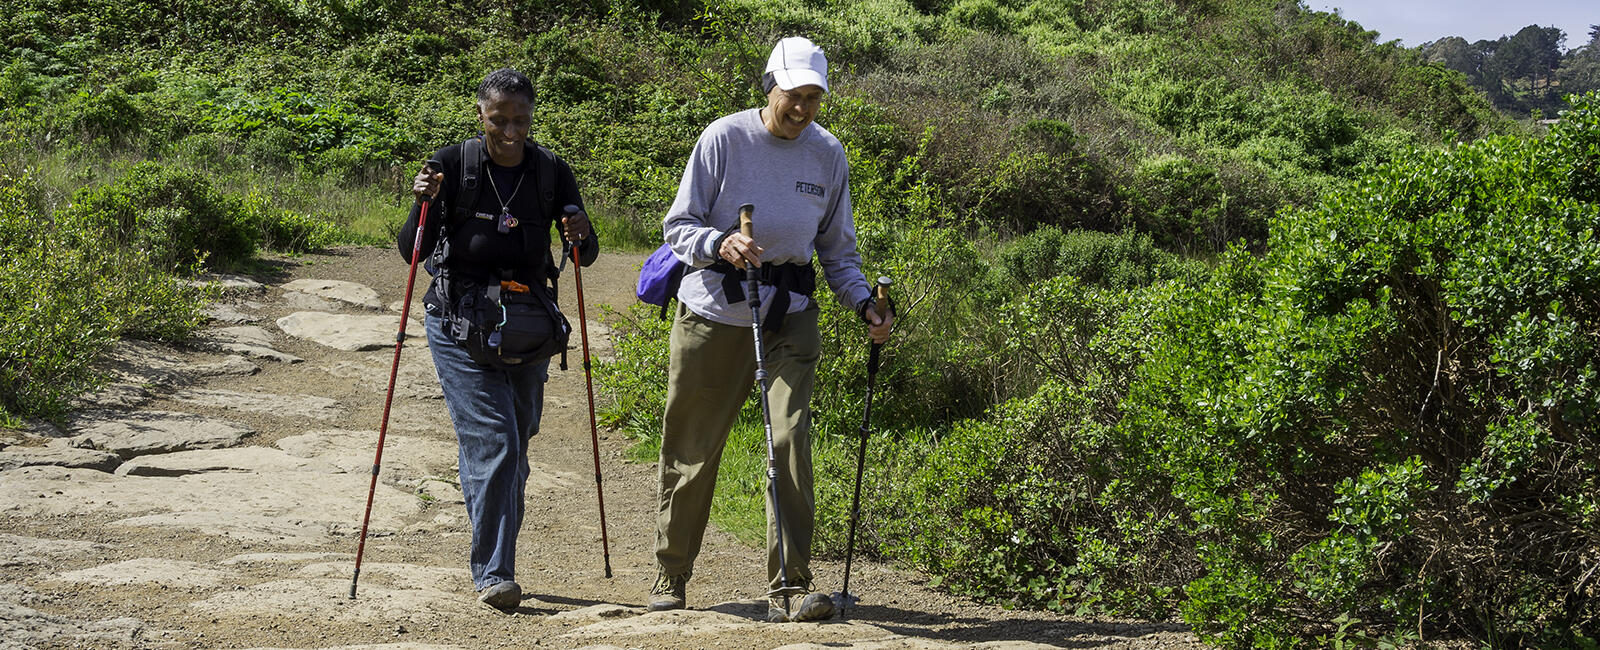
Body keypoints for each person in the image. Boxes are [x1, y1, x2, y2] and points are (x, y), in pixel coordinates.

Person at [647, 36, 894, 623]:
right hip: (714, 314)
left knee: (788, 441)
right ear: (770, 86)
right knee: (694, 450)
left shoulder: (827, 154)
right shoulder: (723, 138)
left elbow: (837, 252)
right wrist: (718, 242)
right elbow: (678, 224)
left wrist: (864, 305)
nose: (803, 109)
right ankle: (671, 571)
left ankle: (789, 586)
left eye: (814, 98)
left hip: (790, 316)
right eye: (794, 95)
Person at [397, 68, 598, 611]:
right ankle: (494, 572)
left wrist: (580, 232)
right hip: (459, 324)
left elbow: (585, 254)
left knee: (514, 443)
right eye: (498, 118)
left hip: (528, 327)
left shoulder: (551, 171)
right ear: (480, 114)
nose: (510, 129)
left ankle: (491, 523)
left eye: (520, 118)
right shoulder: (452, 165)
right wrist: (422, 203)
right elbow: (410, 248)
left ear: (531, 116)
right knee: (499, 442)